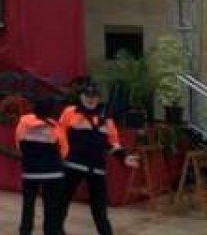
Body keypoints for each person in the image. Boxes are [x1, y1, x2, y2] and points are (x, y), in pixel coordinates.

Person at [57, 82, 138, 235]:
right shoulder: (70, 112)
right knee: (61, 204)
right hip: (72, 166)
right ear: (81, 97)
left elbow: (112, 143)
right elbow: (59, 134)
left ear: (98, 98)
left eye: (94, 96)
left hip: (96, 170)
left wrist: (124, 157)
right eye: (87, 96)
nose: (90, 99)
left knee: (100, 210)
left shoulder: (106, 118)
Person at [16, 98, 67, 235]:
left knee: (28, 205)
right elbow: (64, 149)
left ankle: (25, 231)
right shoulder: (55, 125)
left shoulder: (24, 122)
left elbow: (19, 143)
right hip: (53, 173)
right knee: (50, 207)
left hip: (30, 172)